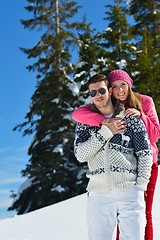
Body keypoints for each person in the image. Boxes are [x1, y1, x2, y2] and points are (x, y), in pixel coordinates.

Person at [72, 69, 160, 240]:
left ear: (109, 91)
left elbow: (145, 152)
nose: (98, 95)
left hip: (131, 187)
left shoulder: (132, 115)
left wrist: (140, 186)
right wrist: (105, 130)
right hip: (99, 192)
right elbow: (81, 155)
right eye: (93, 92)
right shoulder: (86, 122)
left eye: (102, 90)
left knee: (141, 224)